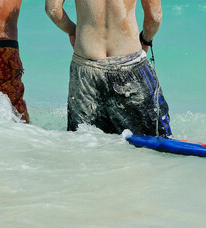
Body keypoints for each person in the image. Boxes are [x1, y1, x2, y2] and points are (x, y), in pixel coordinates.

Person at [45, 0, 172, 137]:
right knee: (155, 137)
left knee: (83, 141)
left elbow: (52, 9)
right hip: (129, 65)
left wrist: (73, 31)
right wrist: (146, 40)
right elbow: (154, 17)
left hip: (85, 67)